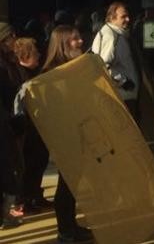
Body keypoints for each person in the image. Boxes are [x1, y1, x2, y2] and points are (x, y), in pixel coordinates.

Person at [39, 25, 93, 242]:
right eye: (74, 40)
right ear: (62, 44)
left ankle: (71, 226)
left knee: (72, 184)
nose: (80, 42)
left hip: (78, 131)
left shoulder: (73, 67)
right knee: (66, 184)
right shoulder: (53, 72)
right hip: (64, 135)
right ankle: (65, 231)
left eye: (79, 38)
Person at [12, 37, 53, 215]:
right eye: (35, 53)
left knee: (40, 160)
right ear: (26, 55)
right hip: (26, 126)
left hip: (37, 125)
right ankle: (25, 199)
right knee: (29, 163)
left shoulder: (34, 72)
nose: (39, 55)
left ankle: (35, 195)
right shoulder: (18, 73)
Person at [91, 2, 143, 123]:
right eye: (123, 16)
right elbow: (101, 65)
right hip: (121, 97)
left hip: (126, 95)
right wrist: (123, 81)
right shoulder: (110, 35)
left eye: (128, 16)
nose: (128, 19)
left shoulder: (117, 34)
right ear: (111, 18)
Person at [0, 23, 25, 230]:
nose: (14, 39)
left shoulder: (9, 61)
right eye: (9, 37)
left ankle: (7, 214)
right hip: (4, 122)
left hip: (10, 122)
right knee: (7, 169)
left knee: (12, 168)